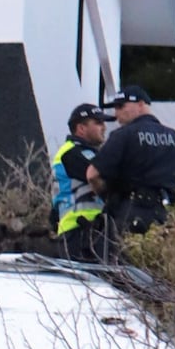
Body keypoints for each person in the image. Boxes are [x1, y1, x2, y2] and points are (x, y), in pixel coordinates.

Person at [86, 87, 175, 237]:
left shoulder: (122, 136)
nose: (116, 113)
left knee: (121, 258)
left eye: (121, 106)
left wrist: (106, 195)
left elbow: (92, 175)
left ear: (140, 104)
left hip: (128, 213)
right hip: (166, 217)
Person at [49, 101, 111, 255]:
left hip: (89, 230)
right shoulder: (72, 153)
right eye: (98, 122)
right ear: (81, 128)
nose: (104, 127)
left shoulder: (89, 153)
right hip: (77, 231)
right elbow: (106, 175)